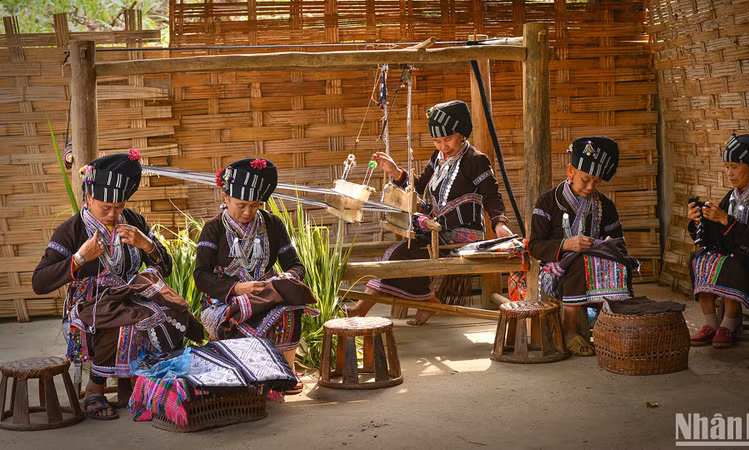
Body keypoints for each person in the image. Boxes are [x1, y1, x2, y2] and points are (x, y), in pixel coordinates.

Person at [32, 149, 204, 420]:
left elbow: (166, 267)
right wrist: (79, 258)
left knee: (169, 310)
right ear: (88, 198)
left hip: (129, 297)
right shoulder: (72, 230)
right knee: (125, 320)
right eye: (106, 207)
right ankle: (95, 390)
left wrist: (146, 244)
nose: (113, 214)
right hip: (89, 307)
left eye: (119, 207)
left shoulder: (133, 221)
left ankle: (139, 385)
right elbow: (39, 282)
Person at [346, 100, 513, 325]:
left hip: (461, 235)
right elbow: (421, 185)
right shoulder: (438, 159)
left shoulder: (476, 160)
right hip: (436, 230)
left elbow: (492, 196)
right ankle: (427, 302)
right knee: (397, 255)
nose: (443, 146)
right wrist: (395, 171)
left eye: (448, 139)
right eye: (437, 141)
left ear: (462, 134)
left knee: (399, 256)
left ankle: (363, 309)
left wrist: (499, 223)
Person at [194, 158, 317, 395]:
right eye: (241, 205)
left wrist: (283, 280)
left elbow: (295, 265)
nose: (248, 212)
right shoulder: (214, 228)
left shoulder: (272, 224)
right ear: (225, 198)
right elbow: (201, 276)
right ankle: (247, 372)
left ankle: (286, 370)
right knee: (238, 315)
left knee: (288, 310)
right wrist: (238, 288)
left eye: (255, 204)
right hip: (224, 302)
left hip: (266, 294)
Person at [529, 137, 637, 356]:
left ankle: (608, 326)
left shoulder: (605, 205)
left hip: (596, 264)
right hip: (557, 269)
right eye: (585, 179)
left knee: (618, 264)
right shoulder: (549, 201)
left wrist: (604, 247)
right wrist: (566, 244)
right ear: (570, 171)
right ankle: (570, 330)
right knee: (578, 261)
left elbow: (619, 243)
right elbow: (534, 246)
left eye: (596, 182)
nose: (590, 187)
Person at [688, 134, 749, 348]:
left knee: (734, 262)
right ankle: (711, 324)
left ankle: (728, 325)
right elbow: (712, 238)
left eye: (734, 166)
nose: (729, 173)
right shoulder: (731, 197)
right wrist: (698, 222)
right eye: (726, 167)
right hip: (738, 260)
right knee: (699, 258)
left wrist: (726, 219)